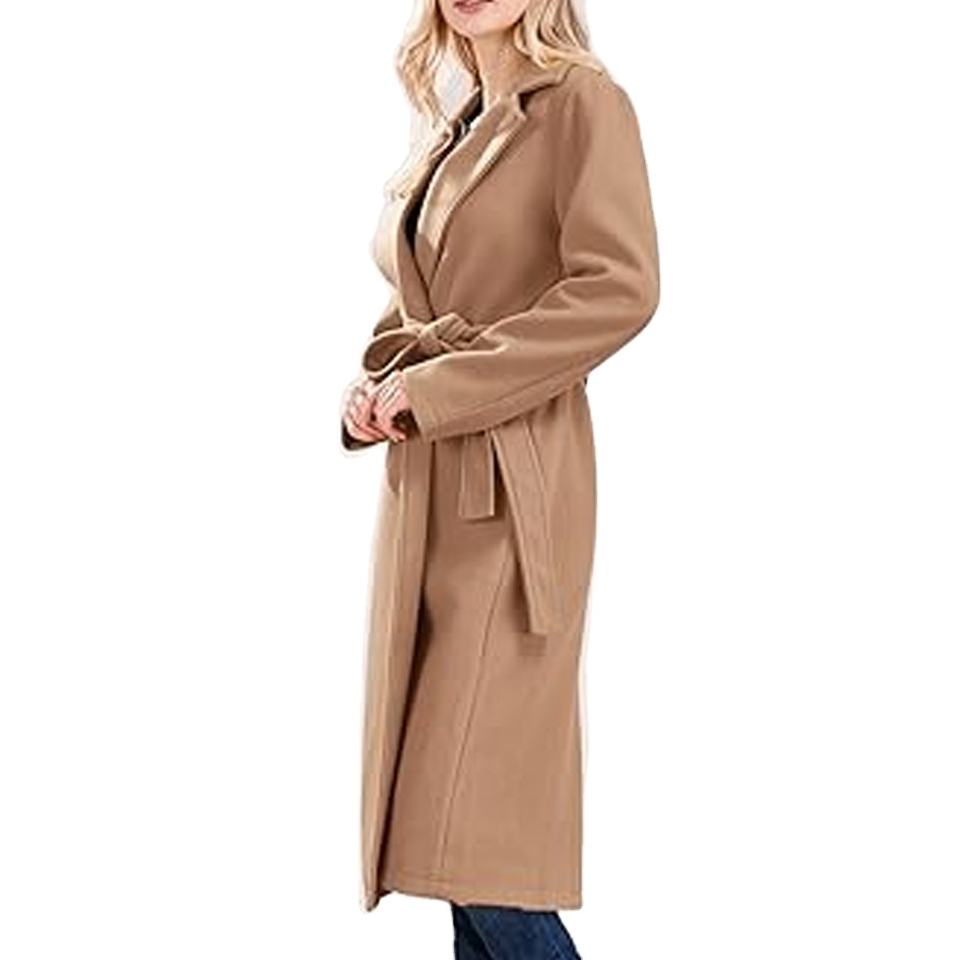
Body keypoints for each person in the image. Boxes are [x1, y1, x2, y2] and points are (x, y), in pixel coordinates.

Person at [339, 1, 659, 956]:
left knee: (479, 844)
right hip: (429, 486)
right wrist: (377, 385)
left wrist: (440, 387)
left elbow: (620, 287)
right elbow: (422, 299)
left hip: (514, 489)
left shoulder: (583, 105)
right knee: (449, 850)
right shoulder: (455, 120)